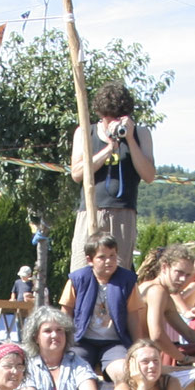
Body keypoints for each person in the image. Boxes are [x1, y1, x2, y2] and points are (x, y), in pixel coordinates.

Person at [68, 81, 157, 269]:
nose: (113, 123)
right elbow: (76, 173)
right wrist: (109, 148)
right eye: (108, 118)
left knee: (119, 274)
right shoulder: (85, 132)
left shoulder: (141, 134)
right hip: (90, 210)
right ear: (100, 114)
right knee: (81, 270)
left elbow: (149, 175)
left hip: (123, 213)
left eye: (118, 117)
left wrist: (130, 139)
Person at [58, 235, 141, 384]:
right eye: (102, 257)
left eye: (112, 256)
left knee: (123, 374)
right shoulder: (77, 280)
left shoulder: (127, 281)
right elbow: (65, 315)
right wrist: (63, 344)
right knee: (73, 372)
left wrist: (138, 348)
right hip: (82, 341)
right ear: (90, 260)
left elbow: (133, 317)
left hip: (115, 342)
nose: (109, 261)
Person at [140, 245, 195, 365]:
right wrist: (183, 359)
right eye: (179, 272)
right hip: (140, 356)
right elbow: (157, 336)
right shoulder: (157, 291)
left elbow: (187, 332)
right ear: (164, 267)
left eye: (188, 275)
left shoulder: (163, 293)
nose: (183, 279)